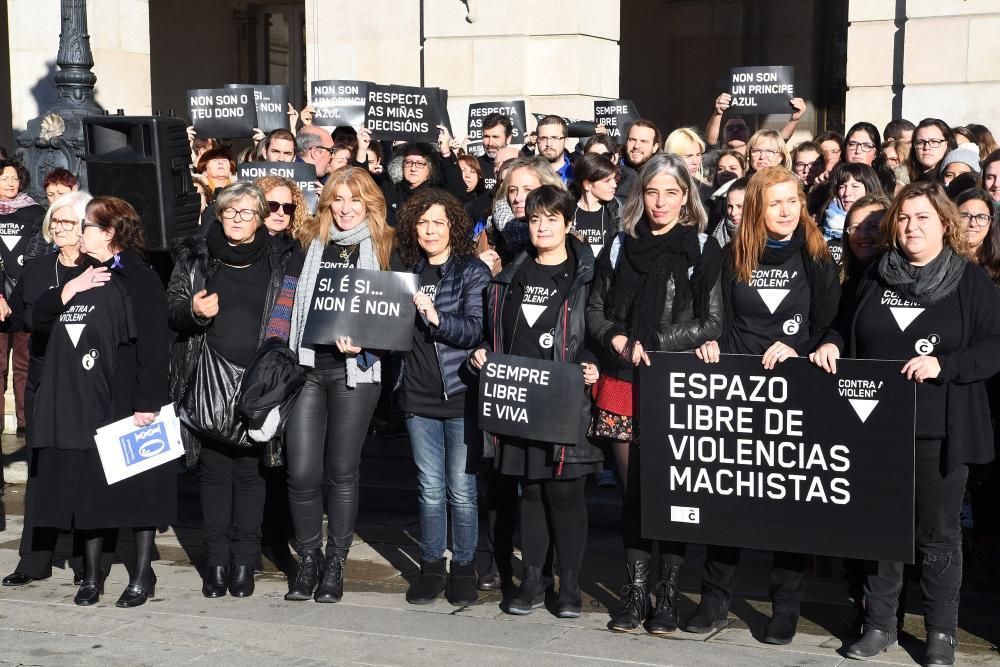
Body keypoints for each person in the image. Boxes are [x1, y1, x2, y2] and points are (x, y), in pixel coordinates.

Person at [811, 182, 1000, 666]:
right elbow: (842, 323)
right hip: (872, 426)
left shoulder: (970, 282)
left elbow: (993, 348)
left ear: (944, 224)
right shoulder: (876, 275)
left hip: (940, 428)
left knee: (938, 534)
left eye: (922, 218)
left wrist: (945, 365)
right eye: (903, 218)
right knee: (879, 528)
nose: (911, 227)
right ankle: (879, 624)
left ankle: (940, 631)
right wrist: (832, 342)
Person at [692, 166, 840, 645]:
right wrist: (709, 344)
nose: (785, 211)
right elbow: (710, 315)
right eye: (775, 202)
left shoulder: (816, 255)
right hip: (737, 394)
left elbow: (829, 325)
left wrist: (802, 352)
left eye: (793, 202)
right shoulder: (728, 252)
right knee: (727, 503)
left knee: (787, 506)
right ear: (755, 206)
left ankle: (785, 607)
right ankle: (714, 601)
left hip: (795, 395)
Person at [587, 153, 723, 634]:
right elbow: (596, 310)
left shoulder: (703, 248)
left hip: (675, 384)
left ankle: (667, 595)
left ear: (687, 196)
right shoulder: (620, 247)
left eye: (671, 192)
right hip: (623, 380)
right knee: (635, 497)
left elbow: (712, 323)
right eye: (652, 191)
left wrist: (657, 343)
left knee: (674, 494)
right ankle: (636, 592)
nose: (661, 202)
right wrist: (616, 338)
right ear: (638, 196)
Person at [30, 196, 174, 608]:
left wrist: (147, 402)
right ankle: (91, 578)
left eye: (87, 226)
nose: (79, 232)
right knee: (91, 492)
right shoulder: (84, 274)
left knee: (141, 487)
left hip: (131, 400)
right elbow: (37, 318)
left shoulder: (139, 276)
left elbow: (153, 344)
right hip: (90, 400)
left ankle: (142, 575)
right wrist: (69, 288)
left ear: (109, 233)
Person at [266, 167, 396, 603]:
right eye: (337, 199)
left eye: (355, 200)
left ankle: (335, 563)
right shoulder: (309, 245)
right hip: (306, 369)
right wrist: (276, 347)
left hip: (355, 373)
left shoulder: (384, 245)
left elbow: (393, 318)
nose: (345, 209)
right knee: (301, 471)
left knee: (341, 472)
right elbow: (286, 303)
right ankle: (308, 559)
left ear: (369, 203)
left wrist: (367, 341)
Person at [471, 185, 601, 618]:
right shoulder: (510, 276)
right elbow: (497, 333)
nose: (542, 227)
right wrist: (483, 352)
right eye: (534, 219)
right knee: (529, 494)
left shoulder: (588, 276)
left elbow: (599, 330)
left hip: (568, 402)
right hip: (521, 401)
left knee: (564, 494)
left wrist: (590, 362)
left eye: (551, 218)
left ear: (568, 223)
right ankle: (531, 579)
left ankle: (570, 585)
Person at [168, 182, 295, 599]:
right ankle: (216, 563)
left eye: (248, 212)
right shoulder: (195, 256)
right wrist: (193, 311)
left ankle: (244, 562)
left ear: (261, 218)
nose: (239, 219)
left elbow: (291, 318)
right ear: (218, 214)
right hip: (208, 377)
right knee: (215, 473)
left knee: (251, 474)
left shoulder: (280, 259)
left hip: (257, 383)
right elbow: (172, 310)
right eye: (231, 211)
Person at [394, 189, 490, 606]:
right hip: (417, 395)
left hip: (461, 392)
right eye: (422, 222)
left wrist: (436, 317)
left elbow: (474, 330)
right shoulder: (404, 271)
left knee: (462, 490)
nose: (430, 230)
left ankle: (464, 567)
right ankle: (432, 565)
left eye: (438, 222)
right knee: (429, 488)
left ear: (453, 226)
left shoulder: (471, 272)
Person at [1, 191, 91, 588]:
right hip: (43, 379)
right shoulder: (38, 267)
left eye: (67, 222)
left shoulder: (102, 268)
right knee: (41, 467)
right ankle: (35, 557)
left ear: (86, 227)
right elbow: (21, 315)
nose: (58, 227)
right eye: (54, 221)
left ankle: (85, 556)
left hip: (88, 383)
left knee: (85, 467)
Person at [955, 188, 1000, 592]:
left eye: (981, 217)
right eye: (964, 214)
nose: (972, 223)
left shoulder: (994, 272)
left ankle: (983, 557)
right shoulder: (942, 265)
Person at [0, 158, 46, 437]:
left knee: (24, 365)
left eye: (15, 178)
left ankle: (25, 422)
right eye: (4, 177)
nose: (10, 182)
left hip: (25, 299)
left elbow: (38, 255)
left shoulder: (35, 212)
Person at [817, 163, 886, 263]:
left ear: (870, 188)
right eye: (842, 187)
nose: (846, 193)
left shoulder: (883, 220)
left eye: (855, 186)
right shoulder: (820, 222)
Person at [572, 153, 621, 257]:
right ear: (587, 185)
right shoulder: (566, 212)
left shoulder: (617, 212)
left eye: (614, 179)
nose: (614, 185)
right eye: (607, 180)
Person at [617, 120, 662, 200]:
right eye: (632, 140)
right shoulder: (612, 166)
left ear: (655, 147)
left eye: (644, 141)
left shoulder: (662, 173)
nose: (636, 146)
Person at [523, 115, 573, 185]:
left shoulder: (577, 175)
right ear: (537, 141)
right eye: (543, 138)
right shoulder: (527, 174)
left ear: (566, 141)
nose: (548, 143)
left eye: (554, 138)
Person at [907, 118, 957, 183]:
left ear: (946, 144)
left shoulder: (952, 182)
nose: (926, 147)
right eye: (920, 142)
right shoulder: (902, 180)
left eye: (934, 141)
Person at [477, 112, 513, 191]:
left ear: (508, 139)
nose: (490, 143)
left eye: (495, 137)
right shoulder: (475, 165)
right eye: (486, 137)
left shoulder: (518, 166)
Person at [710, 176, 747, 247]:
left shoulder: (768, 236)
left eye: (740, 206)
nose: (733, 213)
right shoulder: (719, 228)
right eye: (730, 206)